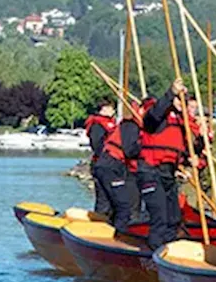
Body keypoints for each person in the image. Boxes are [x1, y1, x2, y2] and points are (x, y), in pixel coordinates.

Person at [137, 78, 203, 250]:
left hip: (168, 173)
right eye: (178, 99)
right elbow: (153, 116)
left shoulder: (182, 122)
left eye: (184, 101)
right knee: (160, 218)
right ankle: (154, 255)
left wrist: (201, 139)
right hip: (151, 170)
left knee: (174, 218)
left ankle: (169, 251)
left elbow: (191, 148)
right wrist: (171, 92)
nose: (182, 104)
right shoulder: (158, 116)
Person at [90, 100, 142, 231]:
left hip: (109, 164)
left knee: (109, 203)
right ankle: (115, 235)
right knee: (122, 205)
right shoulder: (128, 126)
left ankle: (104, 229)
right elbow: (128, 150)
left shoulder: (121, 125)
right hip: (109, 165)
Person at [83, 99, 118, 217]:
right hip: (103, 163)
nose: (113, 111)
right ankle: (99, 223)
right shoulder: (97, 124)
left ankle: (110, 222)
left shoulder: (110, 123)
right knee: (104, 199)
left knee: (113, 199)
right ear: (104, 108)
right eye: (111, 108)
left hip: (111, 164)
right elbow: (97, 145)